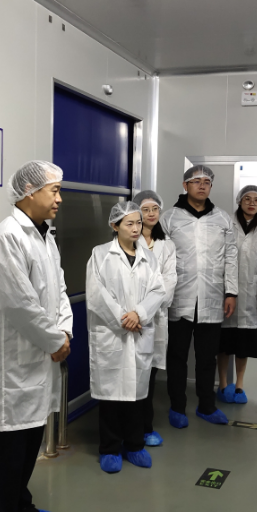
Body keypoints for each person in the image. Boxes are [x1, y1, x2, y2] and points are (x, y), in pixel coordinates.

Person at [0, 160, 73, 512]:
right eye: (54, 190)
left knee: (32, 437)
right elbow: (20, 304)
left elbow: (60, 290)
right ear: (29, 193)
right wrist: (55, 340)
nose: (59, 199)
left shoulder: (44, 236)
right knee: (10, 446)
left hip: (41, 355)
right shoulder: (7, 238)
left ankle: (20, 506)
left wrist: (64, 331)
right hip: (15, 362)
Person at [86, 201, 166, 473]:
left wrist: (139, 314)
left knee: (137, 395)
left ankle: (134, 445)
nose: (136, 228)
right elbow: (96, 295)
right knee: (111, 395)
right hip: (113, 333)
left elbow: (158, 291)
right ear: (114, 225)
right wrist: (124, 318)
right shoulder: (100, 255)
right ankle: (109, 448)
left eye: (138, 223)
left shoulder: (149, 258)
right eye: (129, 223)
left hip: (139, 332)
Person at [161, 165, 238, 428]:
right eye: (196, 181)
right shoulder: (169, 218)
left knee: (207, 357)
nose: (202, 185)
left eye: (207, 181)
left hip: (212, 296)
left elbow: (231, 257)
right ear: (185, 186)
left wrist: (231, 291)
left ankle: (207, 405)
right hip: (178, 296)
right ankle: (177, 407)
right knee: (177, 356)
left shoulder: (222, 219)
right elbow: (160, 258)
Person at [216, 185, 257, 404]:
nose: (251, 203)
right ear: (239, 201)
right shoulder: (226, 223)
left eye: (256, 200)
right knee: (224, 343)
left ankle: (239, 385)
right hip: (226, 292)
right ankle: (223, 384)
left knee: (243, 345)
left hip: (251, 294)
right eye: (247, 198)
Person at [133, 190, 178, 447]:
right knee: (131, 374)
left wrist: (149, 307)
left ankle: (146, 427)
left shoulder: (167, 245)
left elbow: (169, 280)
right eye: (145, 209)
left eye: (155, 209)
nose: (151, 214)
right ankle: (129, 429)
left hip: (156, 316)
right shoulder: (128, 239)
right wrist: (139, 310)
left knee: (148, 376)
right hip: (132, 317)